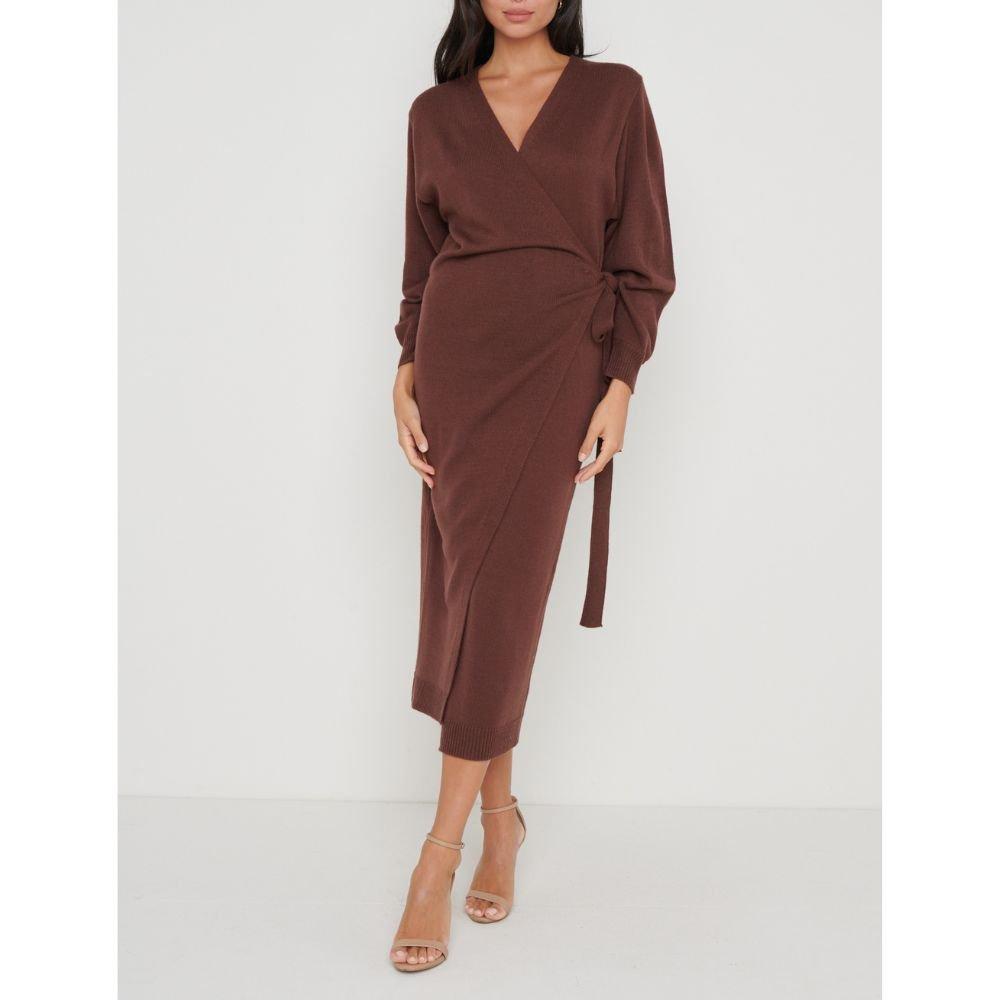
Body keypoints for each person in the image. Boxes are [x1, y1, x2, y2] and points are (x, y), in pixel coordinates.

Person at [389, 0, 675, 972]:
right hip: (456, 366)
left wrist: (620, 382)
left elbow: (645, 260)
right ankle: (501, 816)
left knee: (500, 598)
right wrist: (403, 370)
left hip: (561, 362)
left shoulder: (614, 96)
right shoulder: (436, 113)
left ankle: (438, 853)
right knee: (477, 596)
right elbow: (421, 266)